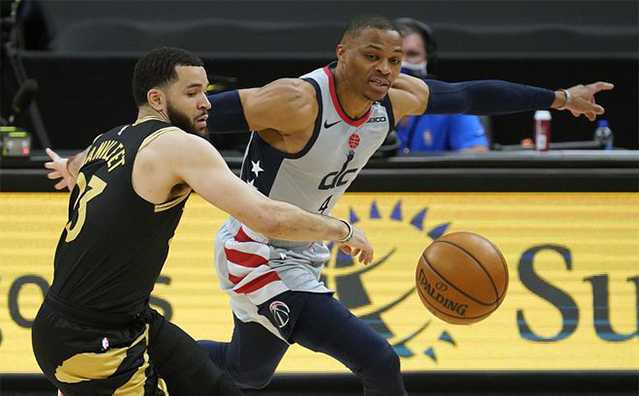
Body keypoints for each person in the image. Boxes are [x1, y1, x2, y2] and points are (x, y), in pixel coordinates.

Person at [195, 14, 612, 396]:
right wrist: (140, 141)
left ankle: (151, 347)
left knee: (246, 371)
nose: (385, 68)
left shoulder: (396, 98)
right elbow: (196, 114)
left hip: (303, 246)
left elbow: (469, 95)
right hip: (257, 251)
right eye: (371, 56)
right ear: (342, 54)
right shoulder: (296, 100)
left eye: (394, 60)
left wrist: (560, 97)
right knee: (379, 361)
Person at [35, 47, 374, 396]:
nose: (206, 103)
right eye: (192, 93)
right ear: (157, 99)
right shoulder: (178, 146)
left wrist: (69, 168)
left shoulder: (106, 140)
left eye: (206, 92)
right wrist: (341, 229)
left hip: (124, 320)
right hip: (89, 338)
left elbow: (77, 164)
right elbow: (267, 217)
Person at [394, 17, 488, 152]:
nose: (402, 63)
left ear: (428, 60)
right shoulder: (359, 105)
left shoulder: (452, 102)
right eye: (394, 56)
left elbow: (477, 152)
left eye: (412, 54)